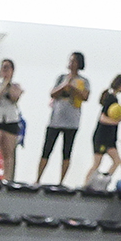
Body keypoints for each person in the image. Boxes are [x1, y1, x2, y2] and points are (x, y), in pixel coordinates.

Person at [34, 51, 88, 185]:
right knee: (47, 149)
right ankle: (38, 179)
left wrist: (73, 87)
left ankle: (61, 181)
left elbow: (85, 96)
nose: (71, 63)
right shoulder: (61, 78)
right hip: (55, 120)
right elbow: (53, 93)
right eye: (70, 60)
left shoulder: (83, 81)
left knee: (66, 152)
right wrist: (65, 84)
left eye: (74, 61)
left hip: (72, 121)